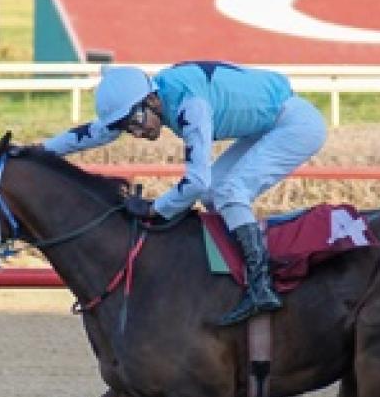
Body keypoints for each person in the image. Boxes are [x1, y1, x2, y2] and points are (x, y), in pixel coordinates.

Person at [42, 61, 327, 326]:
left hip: (295, 126)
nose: (137, 132)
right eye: (128, 127)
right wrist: (37, 152)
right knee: (215, 195)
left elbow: (195, 181)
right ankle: (232, 276)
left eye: (136, 121)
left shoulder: (191, 106)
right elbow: (97, 132)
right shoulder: (154, 95)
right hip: (269, 124)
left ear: (152, 100)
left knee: (229, 192)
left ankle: (261, 286)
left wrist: (156, 209)